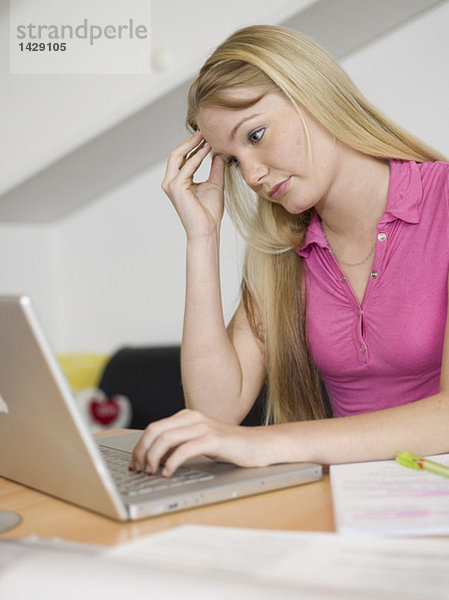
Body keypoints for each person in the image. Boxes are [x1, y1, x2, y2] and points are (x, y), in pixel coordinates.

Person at [130, 25, 449, 477]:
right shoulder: (285, 251)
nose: (253, 175)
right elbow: (216, 411)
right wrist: (202, 237)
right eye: (234, 161)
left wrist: (264, 444)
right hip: (352, 502)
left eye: (256, 135)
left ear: (312, 94)